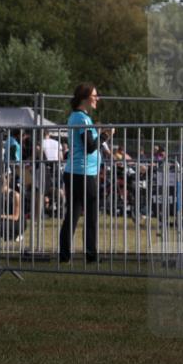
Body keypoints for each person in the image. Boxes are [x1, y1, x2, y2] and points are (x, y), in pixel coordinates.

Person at [59, 83, 112, 264]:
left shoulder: (78, 117)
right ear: (85, 98)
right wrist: (106, 135)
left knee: (72, 214)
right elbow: (90, 147)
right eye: (95, 95)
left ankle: (65, 256)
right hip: (83, 173)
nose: (97, 98)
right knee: (90, 214)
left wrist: (97, 132)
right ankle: (91, 255)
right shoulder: (82, 119)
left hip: (75, 172)